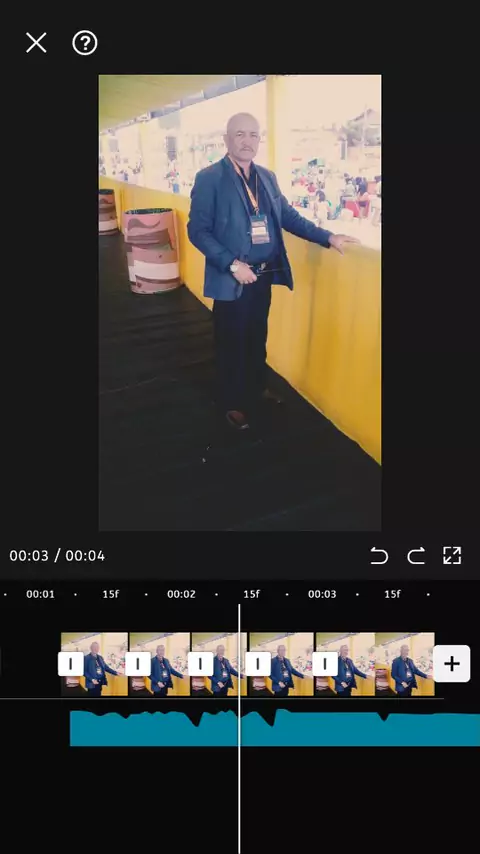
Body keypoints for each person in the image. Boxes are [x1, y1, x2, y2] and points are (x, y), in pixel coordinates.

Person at [187, 112, 359, 431]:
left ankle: (255, 390)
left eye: (253, 135)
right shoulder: (209, 178)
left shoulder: (266, 177)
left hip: (263, 275)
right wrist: (232, 264)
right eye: (240, 134)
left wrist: (328, 237)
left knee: (256, 335)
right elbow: (197, 231)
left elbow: (288, 217)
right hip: (233, 276)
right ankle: (231, 402)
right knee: (231, 340)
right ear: (226, 139)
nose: (247, 141)